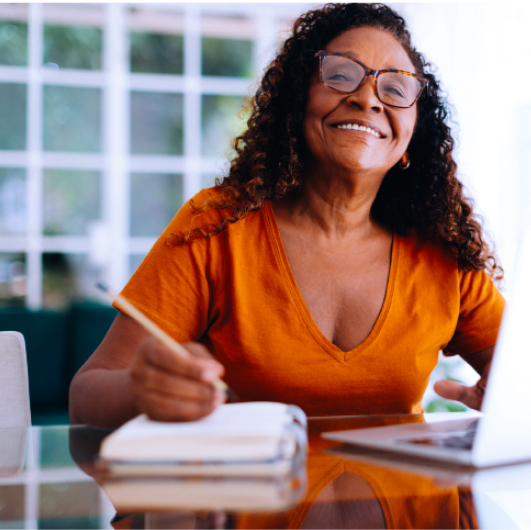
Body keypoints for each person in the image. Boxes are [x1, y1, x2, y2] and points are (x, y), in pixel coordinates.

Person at [69, 2, 505, 429]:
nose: (367, 98)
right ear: (297, 101)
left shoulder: (443, 254)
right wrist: (141, 390)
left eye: (394, 89)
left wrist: (511, 396)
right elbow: (87, 394)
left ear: (413, 134)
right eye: (340, 76)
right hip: (250, 497)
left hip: (403, 500)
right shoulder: (216, 226)